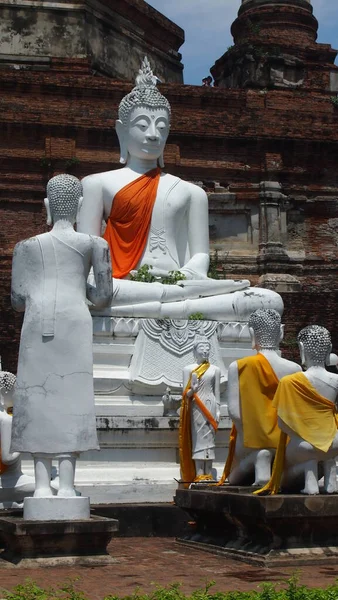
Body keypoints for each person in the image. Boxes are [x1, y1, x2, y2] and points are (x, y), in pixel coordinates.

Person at [78, 56, 282, 321]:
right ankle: (168, 307)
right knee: (89, 290)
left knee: (268, 302)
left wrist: (186, 276)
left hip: (180, 287)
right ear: (122, 131)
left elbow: (199, 256)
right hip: (123, 285)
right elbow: (86, 259)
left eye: (161, 127)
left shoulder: (191, 192)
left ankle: (166, 305)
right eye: (142, 125)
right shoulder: (96, 184)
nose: (153, 134)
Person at [11, 174, 113, 498]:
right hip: (74, 320)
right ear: (81, 206)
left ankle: (42, 486)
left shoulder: (24, 247)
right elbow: (103, 296)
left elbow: (17, 300)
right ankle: (66, 485)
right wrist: (79, 285)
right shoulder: (95, 244)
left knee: (37, 400)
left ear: (47, 206)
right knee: (72, 399)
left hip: (36, 320)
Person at [218, 309, 301, 486]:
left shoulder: (238, 366)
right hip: (284, 441)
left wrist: (252, 434)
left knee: (233, 480)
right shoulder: (295, 369)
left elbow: (235, 412)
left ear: (251, 334)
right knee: (288, 475)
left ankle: (257, 458)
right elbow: (297, 412)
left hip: (250, 441)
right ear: (281, 332)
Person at [258, 325, 338, 495]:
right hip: (335, 443)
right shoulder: (336, 380)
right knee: (328, 455)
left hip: (304, 446)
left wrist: (305, 432)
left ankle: (310, 477)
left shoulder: (289, 381)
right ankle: (331, 481)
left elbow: (283, 423)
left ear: (301, 349)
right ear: (329, 350)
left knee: (287, 475)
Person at [180, 338, 221, 483]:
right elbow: (185, 394)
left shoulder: (215, 370)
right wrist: (193, 389)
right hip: (196, 407)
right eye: (201, 348)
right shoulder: (189, 369)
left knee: (210, 440)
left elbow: (217, 393)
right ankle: (199, 473)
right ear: (195, 351)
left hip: (210, 405)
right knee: (199, 440)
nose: (205, 351)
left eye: (207, 348)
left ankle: (209, 474)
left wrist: (218, 410)